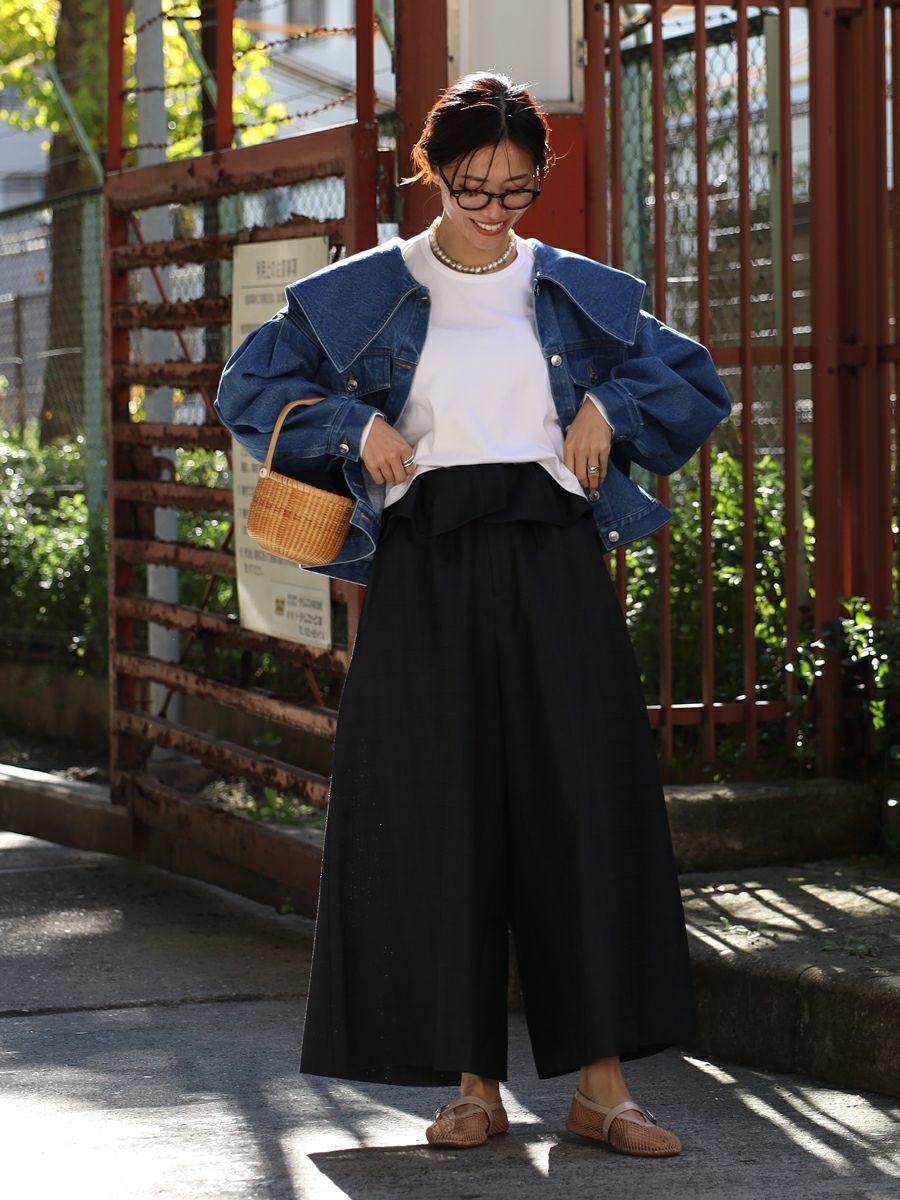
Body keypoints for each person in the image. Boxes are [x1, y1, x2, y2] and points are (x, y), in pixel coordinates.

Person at [214, 72, 732, 1159]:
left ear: (539, 178)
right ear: (432, 171)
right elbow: (245, 389)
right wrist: (354, 427)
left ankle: (602, 1091)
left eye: (517, 189)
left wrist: (608, 403)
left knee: (582, 808)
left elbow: (694, 382)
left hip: (554, 557)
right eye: (472, 187)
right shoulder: (366, 291)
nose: (495, 209)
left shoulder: (575, 289)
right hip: (425, 564)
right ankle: (470, 1087)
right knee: (436, 814)